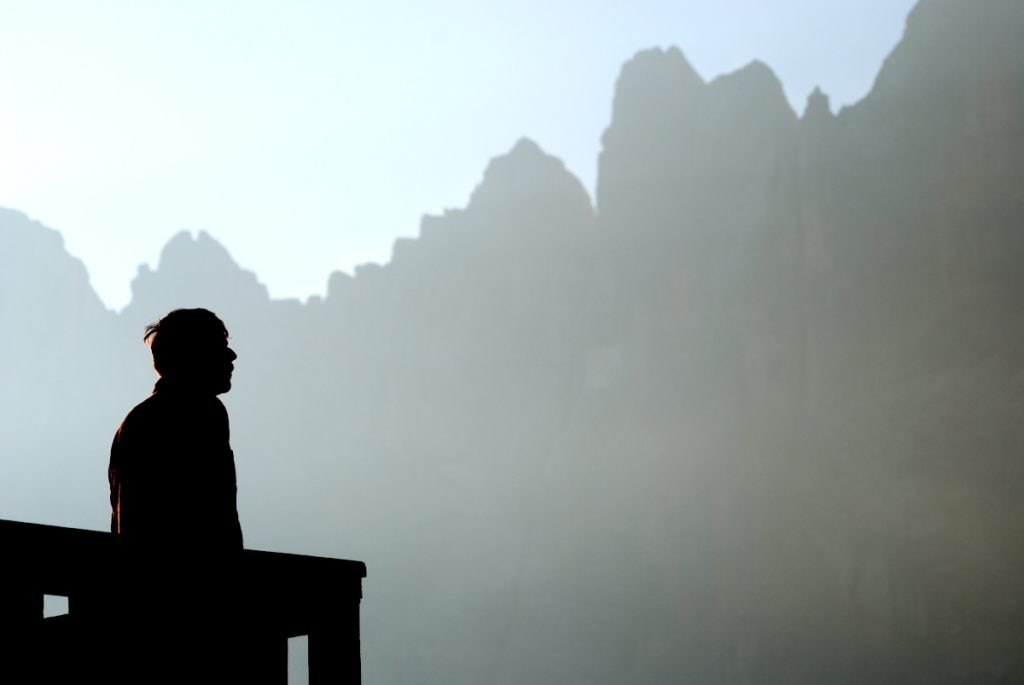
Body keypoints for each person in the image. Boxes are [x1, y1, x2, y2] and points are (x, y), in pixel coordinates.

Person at [108, 307, 243, 549]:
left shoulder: (141, 420)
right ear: (194, 355)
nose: (231, 356)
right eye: (218, 348)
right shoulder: (202, 412)